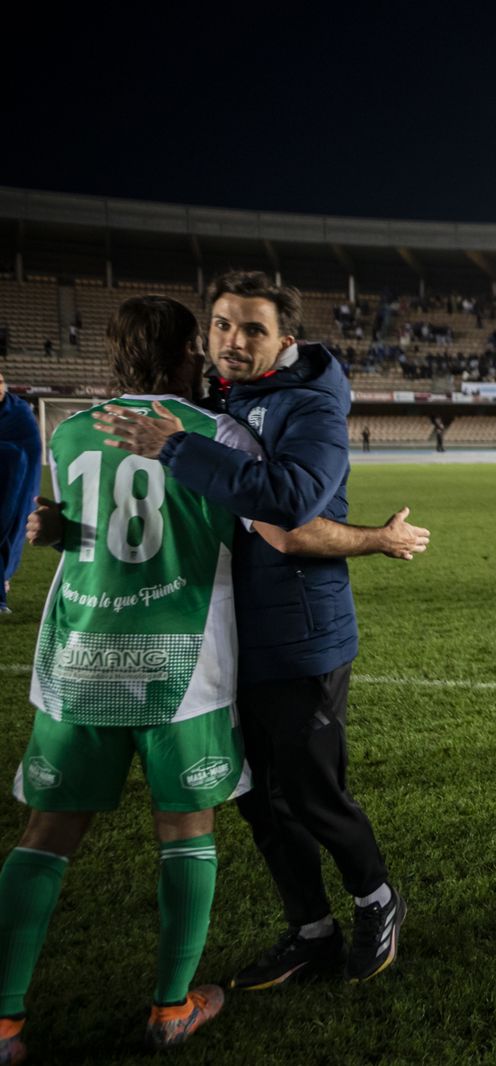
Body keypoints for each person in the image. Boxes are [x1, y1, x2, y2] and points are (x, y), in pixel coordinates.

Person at [91, 271, 428, 988]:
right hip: (229, 635)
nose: (232, 341)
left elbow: (292, 502)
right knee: (256, 798)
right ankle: (311, 930)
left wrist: (177, 447)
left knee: (310, 791)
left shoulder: (310, 406)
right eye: (221, 325)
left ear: (285, 340)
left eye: (252, 329)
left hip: (299, 633)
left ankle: (378, 899)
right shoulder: (223, 401)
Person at [0, 295, 263, 1059]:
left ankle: (5, 1020)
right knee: (185, 830)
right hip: (182, 661)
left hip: (81, 654)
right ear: (187, 351)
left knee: (46, 834)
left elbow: (91, 526)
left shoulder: (70, 430)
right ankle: (171, 1008)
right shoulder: (219, 433)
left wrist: (55, 528)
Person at [0, 373, 41, 614]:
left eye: (0, 382)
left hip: (15, 481)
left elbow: (29, 451)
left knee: (9, 529)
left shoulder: (19, 413)